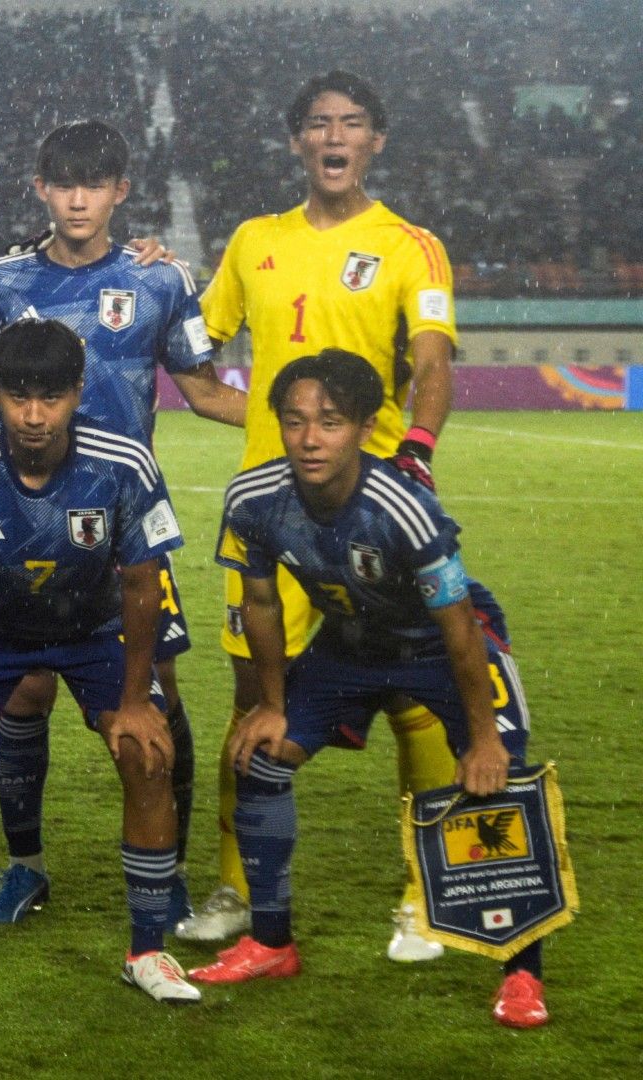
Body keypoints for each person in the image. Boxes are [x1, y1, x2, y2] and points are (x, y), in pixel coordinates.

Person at [178, 72, 461, 961]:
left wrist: (412, 449)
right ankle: (236, 886)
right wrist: (261, 422)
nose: (333, 136)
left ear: (376, 140)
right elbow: (193, 360)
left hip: (371, 516)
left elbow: (433, 358)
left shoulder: (412, 245)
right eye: (317, 124)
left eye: (351, 123)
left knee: (417, 698)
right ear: (297, 141)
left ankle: (427, 895)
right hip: (267, 518)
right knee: (249, 702)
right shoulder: (253, 241)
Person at [191, 349, 547, 1028]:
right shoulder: (252, 500)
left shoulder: (404, 508)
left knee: (502, 788)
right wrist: (270, 704)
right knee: (259, 758)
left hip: (441, 649)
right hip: (348, 646)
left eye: (329, 421)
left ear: (363, 426)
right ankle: (270, 942)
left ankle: (523, 975)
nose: (310, 438)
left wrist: (480, 740)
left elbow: (461, 630)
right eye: (295, 421)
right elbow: (261, 605)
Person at [0, 120, 246, 925]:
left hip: (123, 523)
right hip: (22, 516)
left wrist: (298, 426)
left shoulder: (161, 281)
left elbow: (207, 388)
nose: (78, 198)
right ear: (39, 188)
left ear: (120, 191)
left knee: (157, 692)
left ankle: (168, 873)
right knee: (24, 692)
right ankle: (25, 867)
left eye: (95, 183)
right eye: (63, 182)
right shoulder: (6, 281)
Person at [0, 319, 199, 1005]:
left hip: (94, 628)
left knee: (146, 753)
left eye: (49, 397)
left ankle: (149, 951)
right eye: (17, 396)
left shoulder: (125, 462)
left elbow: (144, 581)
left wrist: (138, 697)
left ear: (77, 392)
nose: (32, 415)